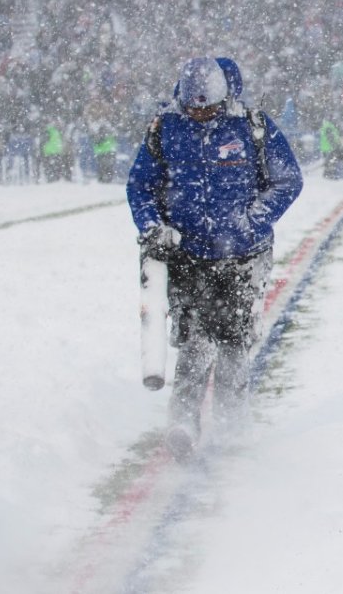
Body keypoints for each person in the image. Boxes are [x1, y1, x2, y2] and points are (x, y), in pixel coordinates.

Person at [126, 57, 303, 460]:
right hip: (188, 255)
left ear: (226, 99)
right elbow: (140, 185)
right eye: (193, 107)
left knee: (236, 344)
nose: (200, 114)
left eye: (208, 107)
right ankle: (183, 424)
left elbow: (287, 180)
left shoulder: (253, 127)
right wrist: (154, 227)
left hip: (244, 257)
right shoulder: (165, 130)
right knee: (195, 342)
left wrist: (251, 222)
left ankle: (232, 424)